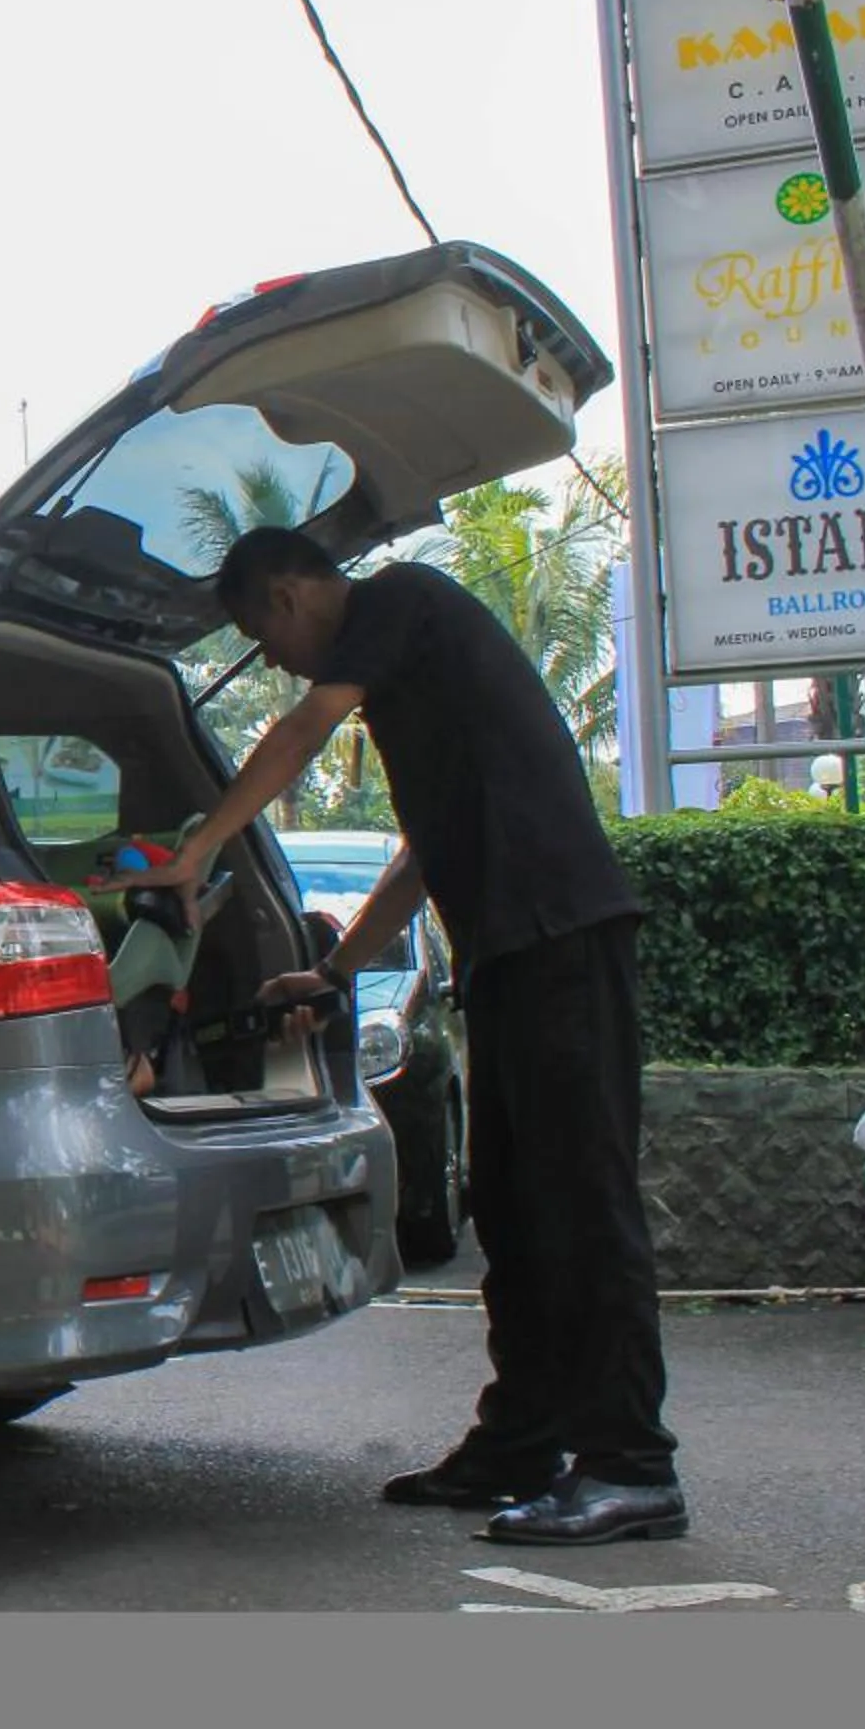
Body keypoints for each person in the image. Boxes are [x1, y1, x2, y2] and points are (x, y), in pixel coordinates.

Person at [101, 527, 684, 1547]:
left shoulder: (402, 600)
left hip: (566, 941)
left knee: (581, 1199)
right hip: (508, 955)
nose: (276, 659)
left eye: (259, 634)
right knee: (508, 1203)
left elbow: (300, 729)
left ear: (287, 595)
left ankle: (631, 1462)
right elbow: (426, 853)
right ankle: (523, 1439)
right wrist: (332, 969)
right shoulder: (415, 679)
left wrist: (199, 845)